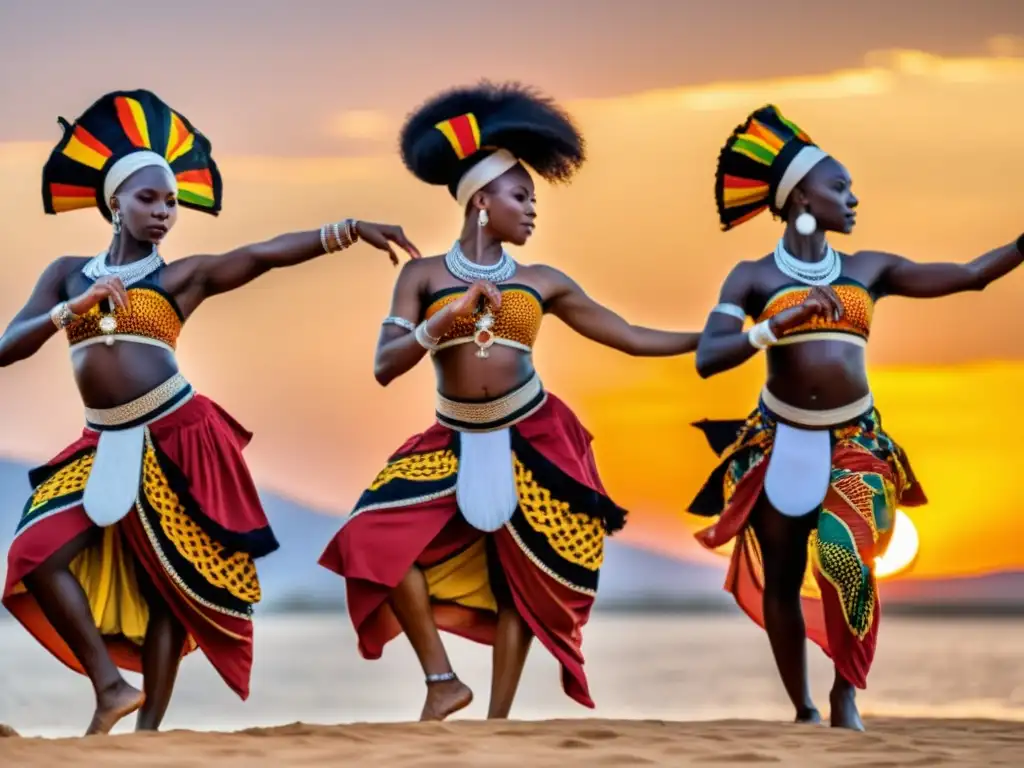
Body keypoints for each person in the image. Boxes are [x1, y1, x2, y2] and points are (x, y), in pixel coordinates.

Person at [0, 89, 420, 736]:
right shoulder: (67, 275)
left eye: (172, 201)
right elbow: (8, 348)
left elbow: (261, 254)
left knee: (171, 582)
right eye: (149, 198)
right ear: (115, 201)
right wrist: (71, 312)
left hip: (179, 433)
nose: (165, 212)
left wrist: (347, 230)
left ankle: (147, 734)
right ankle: (111, 687)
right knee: (34, 551)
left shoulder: (181, 278)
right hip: (99, 441)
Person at [318, 81, 699, 722]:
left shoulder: (541, 281)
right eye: (520, 196)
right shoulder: (423, 277)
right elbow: (386, 367)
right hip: (451, 435)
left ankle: (498, 719)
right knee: (369, 538)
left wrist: (744, 334)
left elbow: (632, 337)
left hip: (535, 434)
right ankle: (441, 680)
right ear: (481, 203)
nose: (532, 210)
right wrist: (451, 317)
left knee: (521, 575)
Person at [687, 104, 1023, 730]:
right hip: (779, 438)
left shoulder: (867, 269)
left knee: (846, 554)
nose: (853, 198)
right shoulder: (753, 277)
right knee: (783, 576)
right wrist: (777, 324)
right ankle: (804, 709)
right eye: (839, 187)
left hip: (856, 440)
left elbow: (972, 276)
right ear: (799, 198)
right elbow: (709, 357)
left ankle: (847, 690)